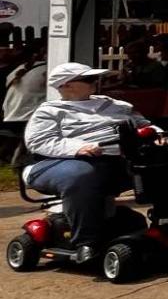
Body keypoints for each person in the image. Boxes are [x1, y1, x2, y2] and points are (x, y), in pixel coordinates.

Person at [22, 62, 151, 264]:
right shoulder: (49, 111)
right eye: (89, 79)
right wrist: (77, 148)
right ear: (66, 86)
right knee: (82, 174)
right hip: (55, 163)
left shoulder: (115, 105)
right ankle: (86, 242)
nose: (95, 82)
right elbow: (39, 142)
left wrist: (157, 135)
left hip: (112, 161)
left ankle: (164, 224)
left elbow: (144, 126)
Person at [2, 38, 48, 169]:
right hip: (25, 120)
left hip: (9, 117)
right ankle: (24, 158)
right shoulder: (47, 70)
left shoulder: (18, 69)